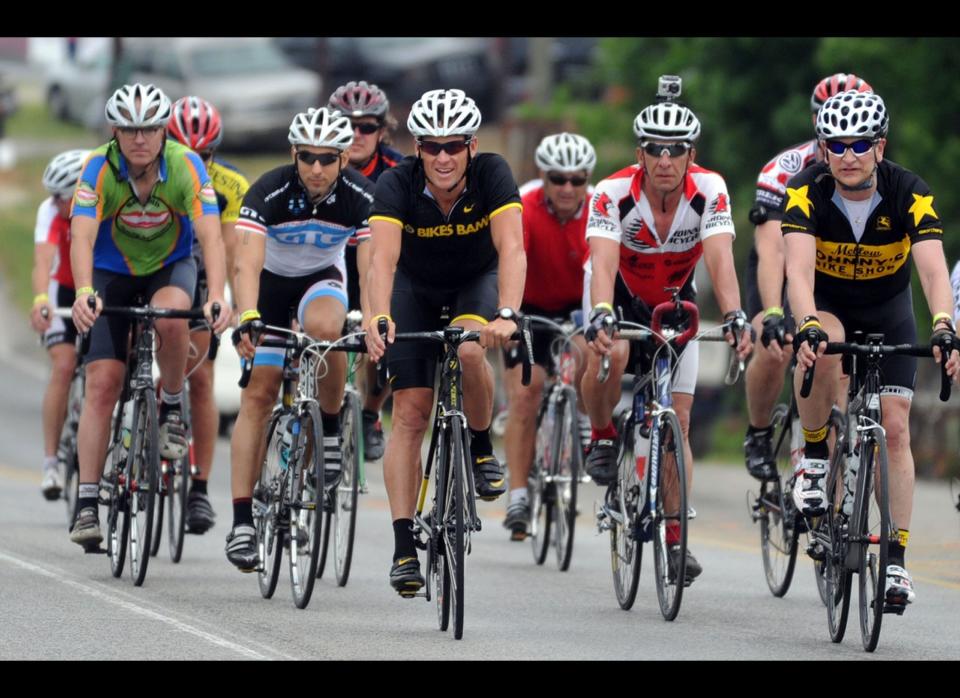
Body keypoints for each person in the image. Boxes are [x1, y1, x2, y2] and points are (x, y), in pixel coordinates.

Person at [784, 89, 960, 607]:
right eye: (836, 145)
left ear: (880, 147)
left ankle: (897, 563)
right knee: (826, 345)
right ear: (823, 149)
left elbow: (931, 267)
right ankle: (816, 456)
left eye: (861, 143)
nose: (849, 155)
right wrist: (807, 324)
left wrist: (945, 323)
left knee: (897, 423)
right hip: (828, 302)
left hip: (888, 307)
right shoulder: (805, 190)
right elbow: (796, 270)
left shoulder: (910, 191)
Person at [580, 78, 752, 584]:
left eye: (676, 150)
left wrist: (737, 313)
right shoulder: (612, 193)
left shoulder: (709, 190)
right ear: (640, 153)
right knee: (603, 355)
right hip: (622, 295)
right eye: (654, 149)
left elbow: (720, 260)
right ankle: (604, 435)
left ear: (690, 154)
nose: (665, 159)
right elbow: (603, 263)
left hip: (676, 303)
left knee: (678, 421)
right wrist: (603, 313)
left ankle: (676, 540)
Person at [364, 88, 525, 595]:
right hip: (413, 288)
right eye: (431, 146)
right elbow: (380, 262)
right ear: (417, 148)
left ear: (471, 146)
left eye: (453, 146)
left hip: (474, 282)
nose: (442, 157)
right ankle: (403, 547)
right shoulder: (396, 184)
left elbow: (513, 247)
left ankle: (479, 445)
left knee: (471, 348)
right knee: (410, 412)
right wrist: (379, 317)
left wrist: (507, 313)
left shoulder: (493, 173)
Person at [68, 83, 230, 549]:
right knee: (102, 382)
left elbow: (211, 236)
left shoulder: (185, 163)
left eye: (151, 128)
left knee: (174, 317)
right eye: (130, 129)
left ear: (164, 131)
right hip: (110, 271)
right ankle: (87, 501)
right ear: (115, 131)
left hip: (169, 267)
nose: (140, 138)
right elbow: (80, 236)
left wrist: (215, 294)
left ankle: (172, 403)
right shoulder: (98, 166)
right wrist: (83, 292)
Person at [226, 107, 374, 572]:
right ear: (294, 154)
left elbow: (370, 270)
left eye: (327, 159)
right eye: (307, 157)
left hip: (321, 281)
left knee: (329, 333)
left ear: (344, 159)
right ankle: (243, 523)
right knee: (260, 392)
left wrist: (374, 319)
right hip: (269, 286)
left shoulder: (360, 197)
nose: (316, 168)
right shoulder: (268, 190)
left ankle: (328, 431)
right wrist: (248, 314)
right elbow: (246, 263)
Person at [743, 73, 872, 480]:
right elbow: (772, 248)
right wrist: (775, 310)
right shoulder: (785, 169)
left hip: (837, 277)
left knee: (836, 369)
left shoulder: (879, 172)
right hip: (782, 269)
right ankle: (759, 431)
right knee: (773, 342)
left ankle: (828, 501)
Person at [501, 132, 596, 540]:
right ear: (544, 176)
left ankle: (583, 417)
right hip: (530, 308)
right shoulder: (523, 205)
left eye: (577, 180)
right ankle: (519, 495)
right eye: (558, 179)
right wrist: (508, 317)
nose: (568, 188)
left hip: (578, 306)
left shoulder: (600, 208)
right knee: (527, 393)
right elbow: (509, 261)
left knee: (589, 352)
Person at [166, 95, 250, 533]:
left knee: (201, 376)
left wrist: (226, 297)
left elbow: (231, 248)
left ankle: (198, 490)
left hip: (203, 273)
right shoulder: (153, 173)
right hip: (155, 266)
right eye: (186, 154)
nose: (195, 163)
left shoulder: (230, 185)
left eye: (205, 155)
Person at [328, 80, 404, 461]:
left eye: (367, 127)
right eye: (347, 125)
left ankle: (372, 413)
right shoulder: (318, 164)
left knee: (387, 336)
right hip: (331, 267)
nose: (356, 135)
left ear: (382, 130)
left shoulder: (399, 169)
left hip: (378, 270)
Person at [30, 149, 90, 500]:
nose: (53, 202)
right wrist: (40, 300)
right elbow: (43, 262)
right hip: (64, 289)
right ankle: (51, 462)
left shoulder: (103, 202)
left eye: (60, 196)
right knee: (65, 364)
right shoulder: (49, 211)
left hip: (96, 286)